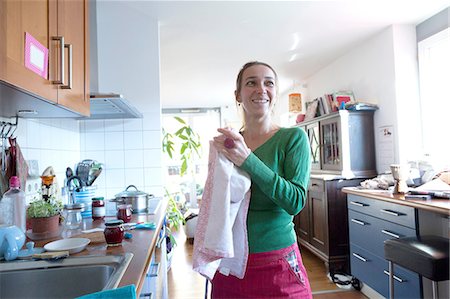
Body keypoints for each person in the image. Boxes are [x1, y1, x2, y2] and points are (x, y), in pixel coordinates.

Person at [211, 61, 312, 298]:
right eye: (251, 83)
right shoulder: (228, 144)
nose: (261, 89)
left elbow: (295, 201)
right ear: (238, 95)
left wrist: (248, 160)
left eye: (268, 83)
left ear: (275, 93)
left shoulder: (293, 138)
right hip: (231, 262)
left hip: (278, 261)